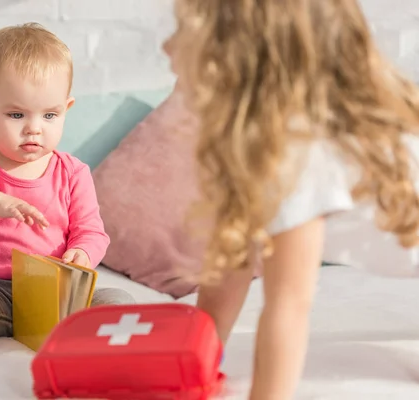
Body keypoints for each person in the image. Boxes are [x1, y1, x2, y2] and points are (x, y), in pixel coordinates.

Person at [164, 0, 419, 398]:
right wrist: (193, 363)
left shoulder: (299, 156)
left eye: (183, 33)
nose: (166, 46)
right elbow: (228, 273)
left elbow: (289, 306)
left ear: (236, 57)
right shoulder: (259, 146)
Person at [0, 23, 134, 363]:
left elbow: (91, 230)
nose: (34, 128)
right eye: (17, 114)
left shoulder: (73, 173)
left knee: (118, 298)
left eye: (50, 114)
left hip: (56, 291)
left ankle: (107, 344)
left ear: (66, 108)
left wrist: (81, 253)